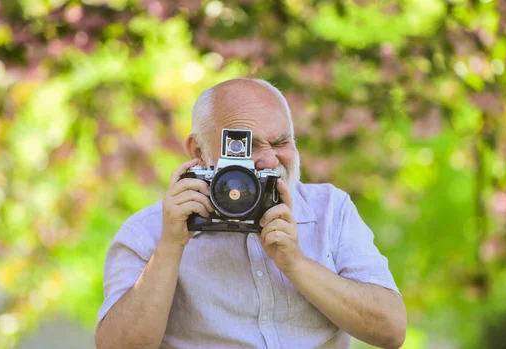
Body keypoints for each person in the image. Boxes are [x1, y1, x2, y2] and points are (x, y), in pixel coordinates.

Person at [95, 78, 406, 349]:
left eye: (281, 141)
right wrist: (169, 248)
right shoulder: (148, 231)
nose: (271, 160)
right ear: (199, 152)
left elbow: (390, 331)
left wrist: (295, 264)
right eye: (248, 147)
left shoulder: (330, 210)